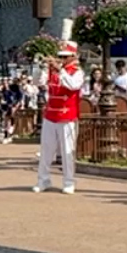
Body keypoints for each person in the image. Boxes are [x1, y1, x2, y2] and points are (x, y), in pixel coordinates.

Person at [34, 20, 85, 193]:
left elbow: (72, 86)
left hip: (67, 116)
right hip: (51, 115)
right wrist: (39, 68)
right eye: (60, 56)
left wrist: (60, 70)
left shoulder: (77, 72)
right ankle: (43, 180)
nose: (60, 59)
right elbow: (38, 83)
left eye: (64, 57)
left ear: (72, 57)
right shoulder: (53, 70)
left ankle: (69, 182)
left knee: (67, 151)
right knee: (46, 150)